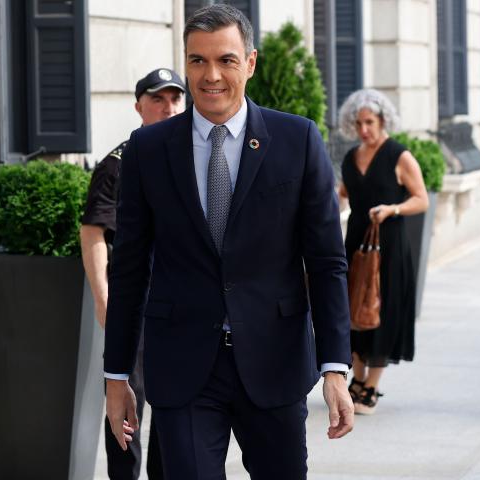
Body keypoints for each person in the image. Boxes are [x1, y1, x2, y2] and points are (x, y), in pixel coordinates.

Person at [103, 4, 354, 479]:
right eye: (197, 60)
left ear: (250, 63)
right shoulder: (148, 150)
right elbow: (129, 269)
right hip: (183, 367)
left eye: (226, 60)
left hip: (274, 360)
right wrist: (116, 377)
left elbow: (326, 263)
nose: (211, 75)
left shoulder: (297, 140)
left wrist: (335, 368)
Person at [80, 67, 186, 480]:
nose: (168, 107)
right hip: (137, 304)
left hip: (182, 303)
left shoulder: (195, 155)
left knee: (176, 406)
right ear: (138, 106)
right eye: (157, 99)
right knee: (127, 400)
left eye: (175, 98)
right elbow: (93, 231)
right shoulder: (118, 163)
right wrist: (104, 300)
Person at [337, 89, 428, 415]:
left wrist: (393, 209)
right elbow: (344, 194)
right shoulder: (351, 157)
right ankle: (358, 378)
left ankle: (371, 385)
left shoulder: (399, 156)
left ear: (383, 120)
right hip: (356, 243)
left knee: (382, 311)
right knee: (352, 308)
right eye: (359, 123)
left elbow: (421, 199)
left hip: (389, 246)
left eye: (370, 122)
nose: (364, 129)